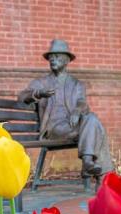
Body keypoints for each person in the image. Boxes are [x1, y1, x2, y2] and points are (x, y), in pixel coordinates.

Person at [18, 39, 113, 176]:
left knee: (92, 118)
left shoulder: (77, 84)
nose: (52, 60)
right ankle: (99, 173)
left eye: (57, 57)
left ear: (67, 60)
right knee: (97, 128)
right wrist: (39, 93)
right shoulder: (41, 82)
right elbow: (22, 97)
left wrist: (77, 110)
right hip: (54, 129)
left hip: (72, 126)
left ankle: (87, 161)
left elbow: (82, 102)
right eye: (51, 57)